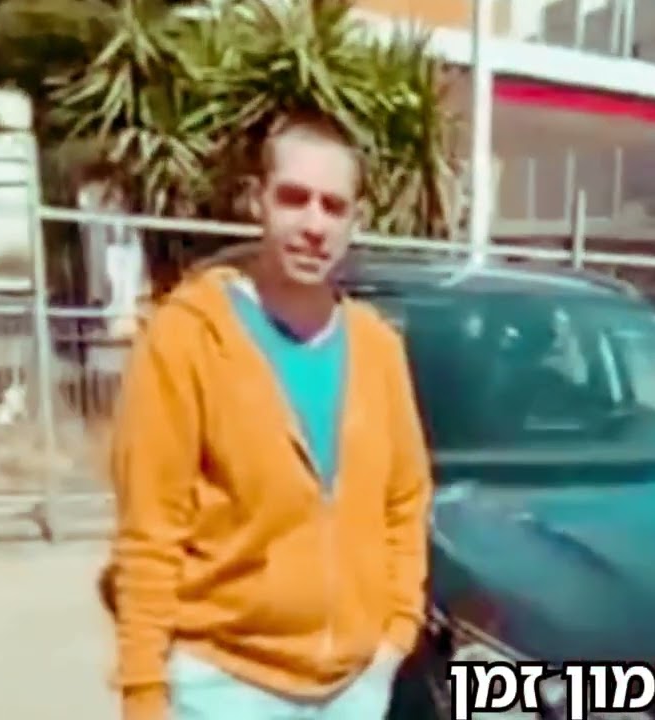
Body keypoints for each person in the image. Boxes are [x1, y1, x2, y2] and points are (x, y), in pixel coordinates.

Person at [104, 109, 433, 720]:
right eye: (294, 198)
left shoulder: (378, 349)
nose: (314, 225)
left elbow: (405, 502)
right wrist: (143, 692)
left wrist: (394, 637)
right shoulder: (187, 338)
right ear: (257, 200)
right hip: (225, 686)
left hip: (354, 689)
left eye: (333, 206)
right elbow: (150, 532)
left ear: (356, 220)